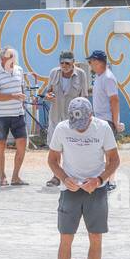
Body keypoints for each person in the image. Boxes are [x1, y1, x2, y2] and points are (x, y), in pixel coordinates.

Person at [47, 96, 119, 259]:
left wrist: (98, 180)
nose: (79, 128)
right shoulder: (62, 129)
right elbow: (52, 159)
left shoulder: (103, 128)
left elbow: (114, 160)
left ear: (91, 116)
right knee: (65, 238)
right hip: (69, 191)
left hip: (95, 190)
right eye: (75, 124)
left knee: (95, 238)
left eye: (83, 124)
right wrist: (64, 178)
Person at [41, 51, 90, 186]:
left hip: (73, 119)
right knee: (55, 148)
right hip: (55, 116)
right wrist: (48, 95)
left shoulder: (81, 74)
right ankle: (56, 176)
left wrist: (85, 119)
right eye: (62, 63)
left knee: (74, 147)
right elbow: (47, 91)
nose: (64, 65)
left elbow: (84, 97)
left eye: (67, 63)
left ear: (73, 62)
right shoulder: (53, 73)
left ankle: (75, 176)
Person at [0, 47, 29, 186]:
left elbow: (21, 88)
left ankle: (16, 176)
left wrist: (22, 101)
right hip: (1, 115)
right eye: (9, 56)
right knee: (1, 144)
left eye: (13, 56)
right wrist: (13, 96)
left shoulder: (19, 70)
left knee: (22, 144)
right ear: (2, 59)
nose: (12, 59)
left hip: (18, 113)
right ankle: (2, 176)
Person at [88, 51, 125, 135]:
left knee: (107, 148)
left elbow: (114, 100)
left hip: (106, 121)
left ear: (97, 63)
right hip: (99, 119)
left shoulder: (108, 78)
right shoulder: (99, 76)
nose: (90, 65)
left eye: (91, 62)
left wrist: (115, 122)